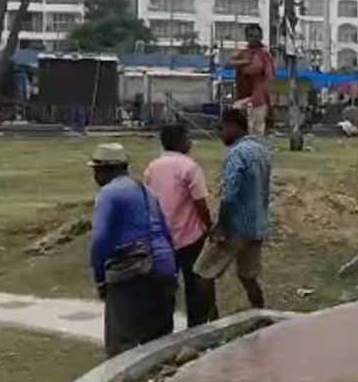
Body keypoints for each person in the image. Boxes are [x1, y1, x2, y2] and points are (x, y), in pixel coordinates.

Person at [88, 143, 178, 358]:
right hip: (164, 268)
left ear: (104, 170)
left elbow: (100, 240)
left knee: (121, 346)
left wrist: (100, 279)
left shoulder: (109, 194)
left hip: (132, 272)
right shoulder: (147, 192)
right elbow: (167, 234)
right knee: (159, 345)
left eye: (95, 170)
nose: (94, 175)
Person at [195, 109, 272, 309]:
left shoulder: (237, 154)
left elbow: (230, 194)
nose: (219, 134)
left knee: (203, 273)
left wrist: (221, 226)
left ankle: (208, 323)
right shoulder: (261, 150)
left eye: (221, 128)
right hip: (256, 227)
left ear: (233, 126)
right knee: (248, 276)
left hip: (234, 228)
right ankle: (261, 316)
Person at [144, 123, 216, 327]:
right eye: (187, 138)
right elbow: (200, 203)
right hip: (191, 237)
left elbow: (149, 201)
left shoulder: (152, 167)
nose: (191, 142)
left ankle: (163, 332)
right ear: (179, 141)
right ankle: (196, 331)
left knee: (165, 288)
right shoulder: (189, 167)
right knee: (196, 289)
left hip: (162, 239)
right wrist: (209, 227)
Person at [229, 23, 275, 136]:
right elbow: (229, 62)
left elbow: (270, 77)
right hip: (242, 96)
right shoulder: (243, 53)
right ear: (246, 37)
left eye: (256, 36)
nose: (253, 39)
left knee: (256, 131)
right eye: (250, 35)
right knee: (241, 130)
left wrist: (271, 100)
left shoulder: (264, 55)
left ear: (260, 37)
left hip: (258, 98)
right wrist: (245, 61)